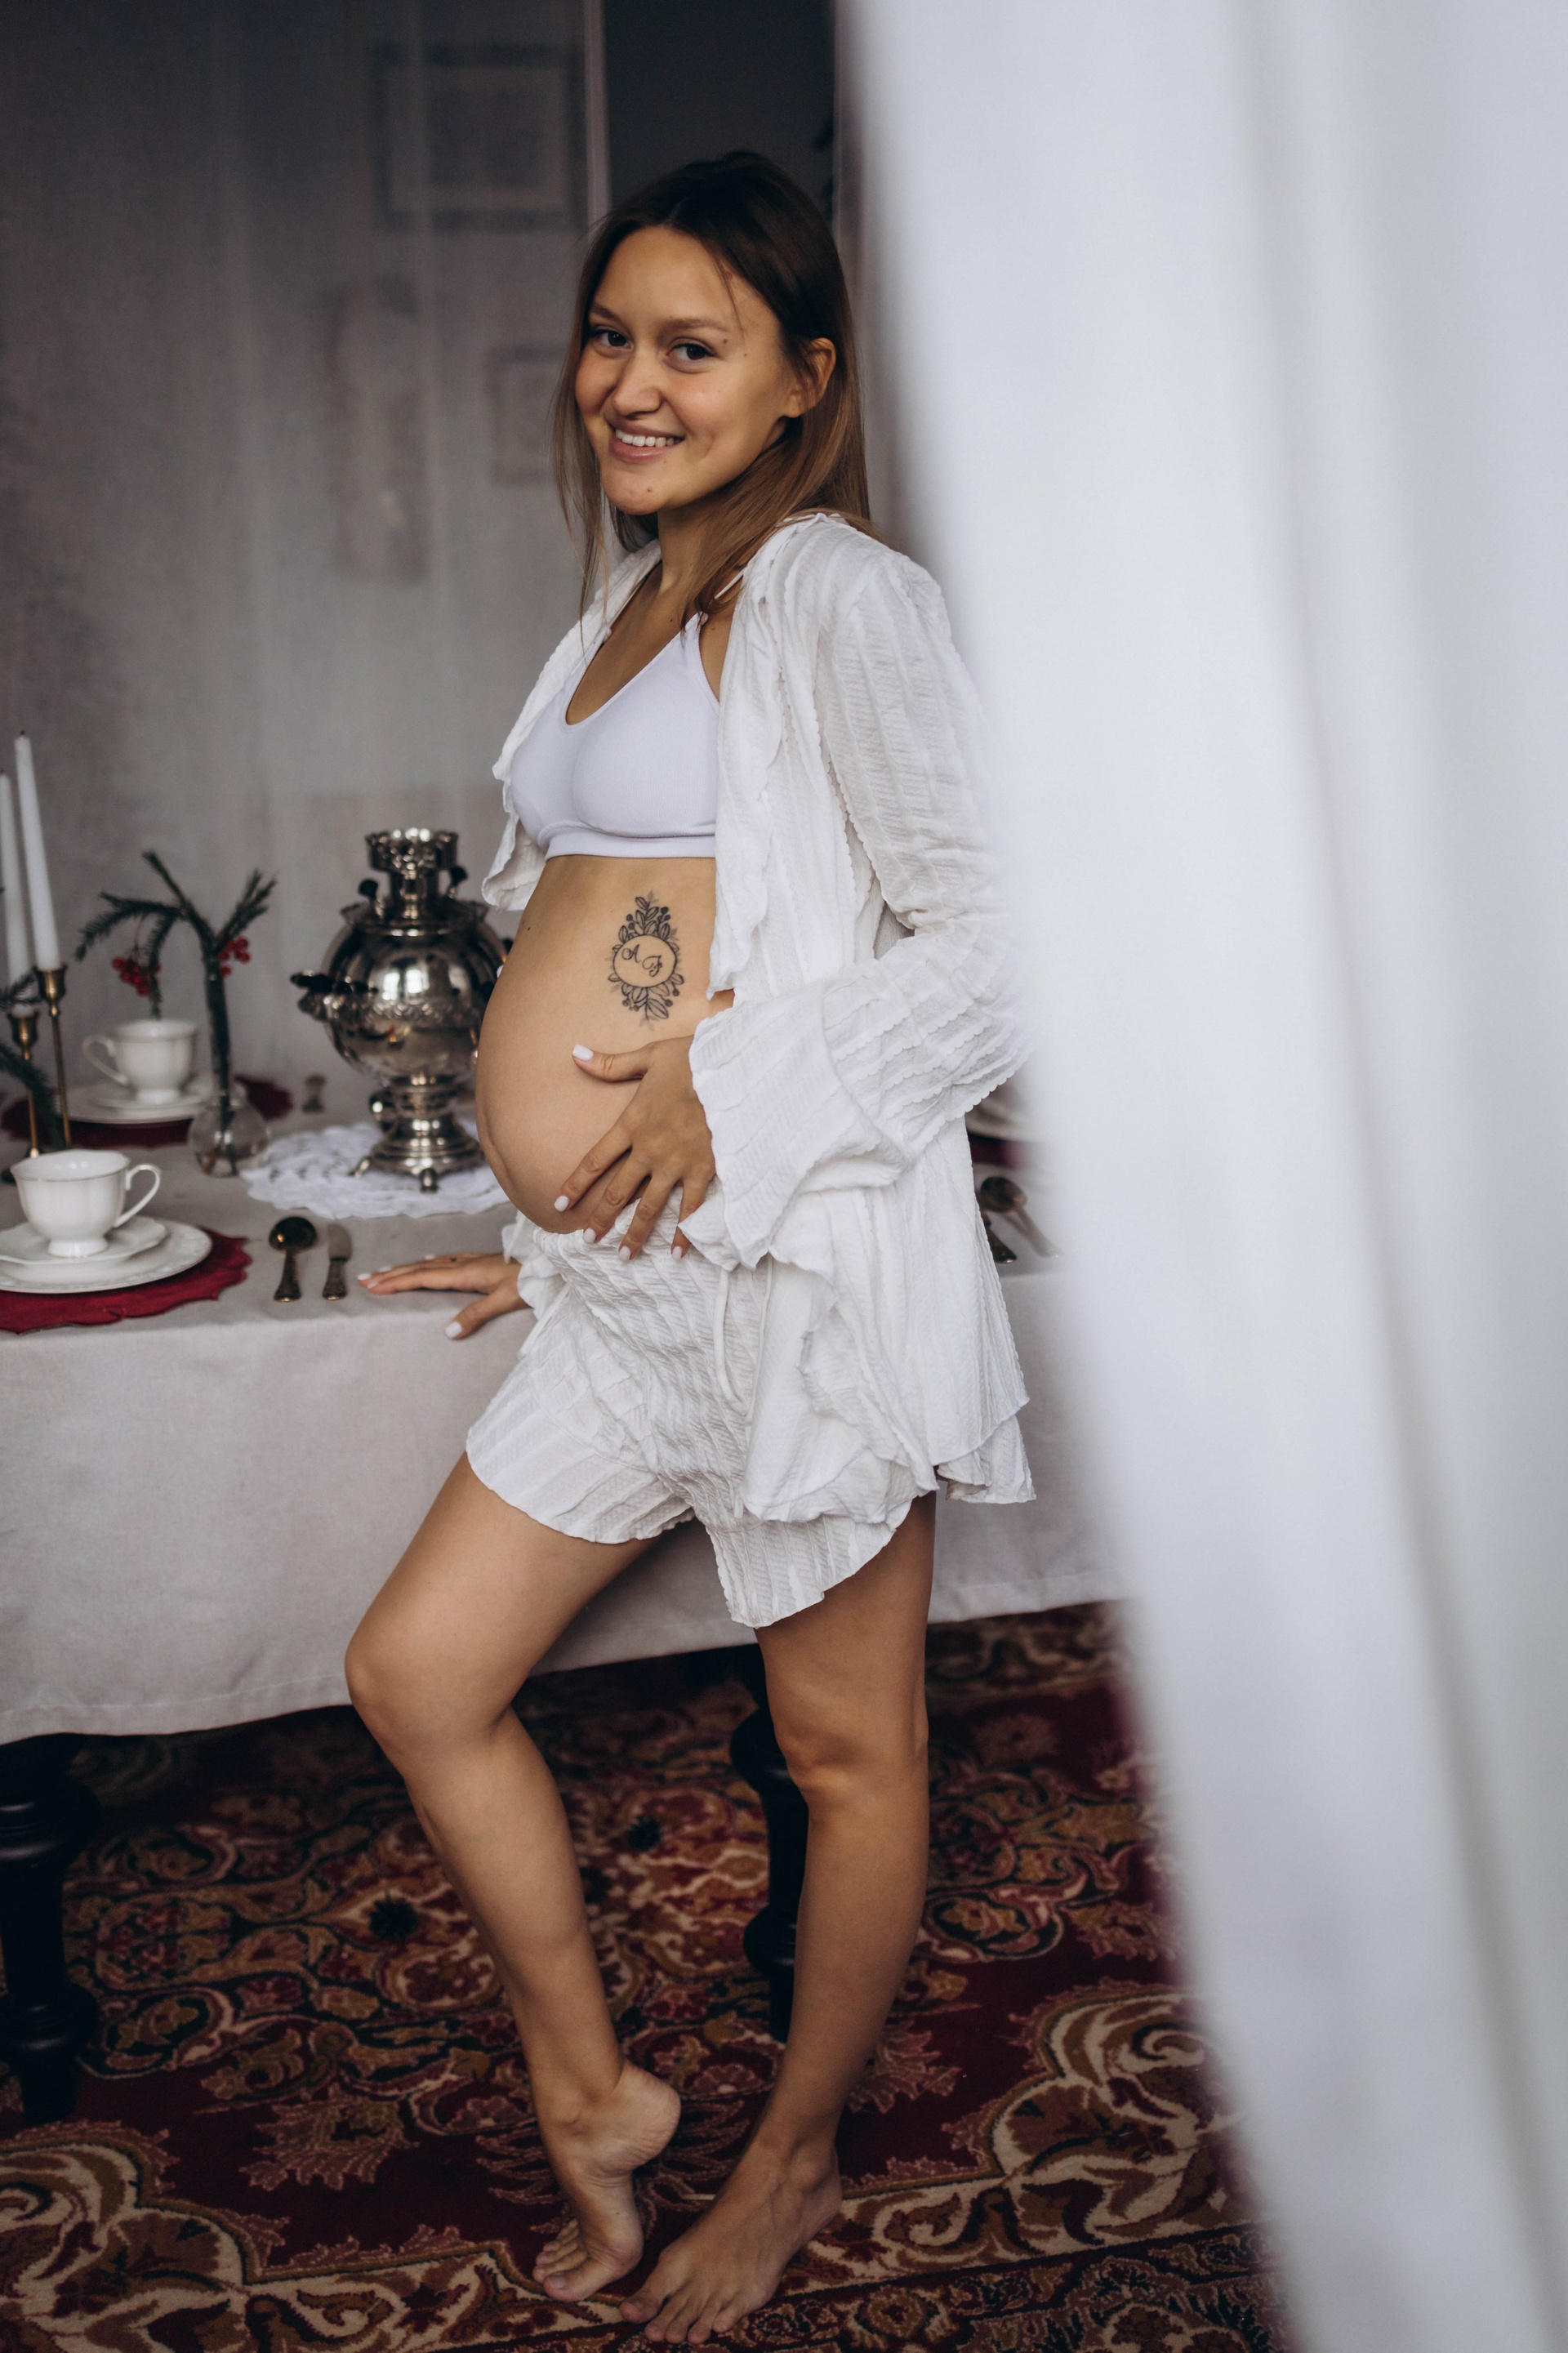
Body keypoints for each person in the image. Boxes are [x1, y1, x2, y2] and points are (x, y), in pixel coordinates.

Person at [345, 151, 1031, 2346]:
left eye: (691, 346)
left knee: (848, 1756)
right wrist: (548, 1233)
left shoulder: (846, 595)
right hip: (627, 1296)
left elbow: (1008, 942)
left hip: (792, 1292)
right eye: (610, 335)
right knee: (418, 1673)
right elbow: (626, 926)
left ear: (804, 379)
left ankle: (794, 2155)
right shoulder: (631, 599)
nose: (629, 383)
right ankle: (596, 2085)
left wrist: (735, 1089)